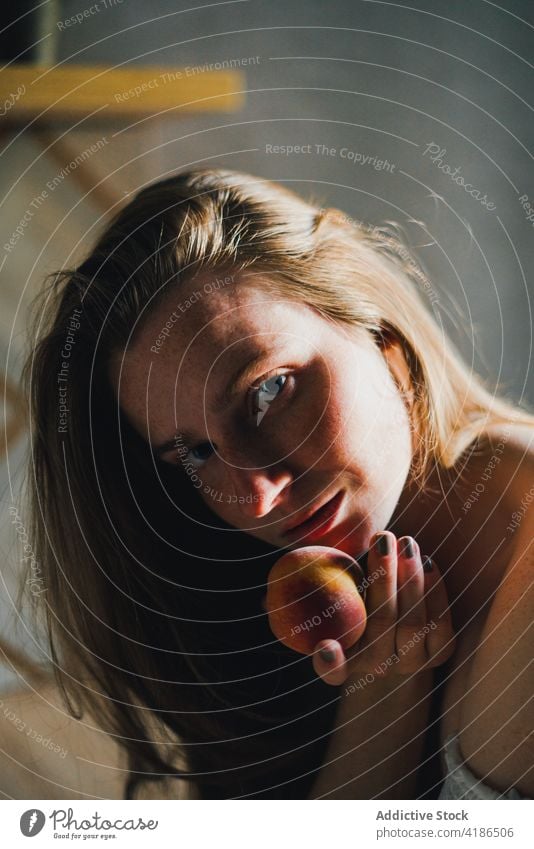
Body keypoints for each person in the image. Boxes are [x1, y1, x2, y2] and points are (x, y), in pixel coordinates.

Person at [21, 168, 533, 800]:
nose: (257, 494)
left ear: (377, 330)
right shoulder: (320, 637)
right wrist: (383, 697)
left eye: (269, 391)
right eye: (197, 453)